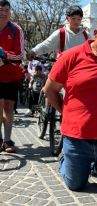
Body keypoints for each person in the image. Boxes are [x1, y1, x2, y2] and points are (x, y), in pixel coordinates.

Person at [44, 16, 97, 193]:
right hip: (77, 138)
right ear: (96, 34)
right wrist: (66, 112)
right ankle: (65, 158)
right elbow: (50, 90)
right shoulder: (71, 56)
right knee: (75, 184)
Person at [0, 0, 24, 153]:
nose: (3, 12)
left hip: (12, 75)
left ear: (10, 12)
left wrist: (4, 54)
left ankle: (7, 140)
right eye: (0, 9)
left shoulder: (16, 30)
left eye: (6, 10)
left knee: (8, 108)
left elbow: (20, 55)